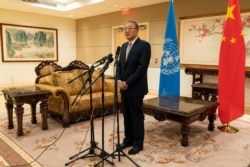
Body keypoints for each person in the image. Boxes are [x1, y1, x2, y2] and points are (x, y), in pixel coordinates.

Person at [116, 20, 151, 155]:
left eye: (130, 28)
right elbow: (119, 65)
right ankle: (128, 139)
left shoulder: (144, 46)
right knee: (127, 115)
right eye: (124, 28)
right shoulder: (124, 46)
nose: (126, 31)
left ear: (137, 30)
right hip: (123, 87)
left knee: (136, 116)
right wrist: (119, 80)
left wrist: (128, 83)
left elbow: (141, 68)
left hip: (136, 88)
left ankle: (138, 143)